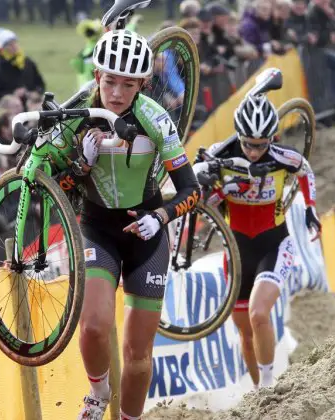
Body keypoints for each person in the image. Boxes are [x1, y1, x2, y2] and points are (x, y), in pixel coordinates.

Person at [57, 30, 200, 420]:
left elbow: (190, 189)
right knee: (93, 327)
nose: (117, 93)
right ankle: (98, 393)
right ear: (98, 75)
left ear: (142, 85)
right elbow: (56, 191)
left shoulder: (154, 119)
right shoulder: (76, 120)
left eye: (128, 84)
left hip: (146, 234)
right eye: (110, 81)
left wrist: (161, 217)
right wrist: (80, 165)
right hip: (97, 228)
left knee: (138, 358)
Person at [192, 91, 321, 389]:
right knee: (244, 332)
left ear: (272, 138)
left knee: (258, 313)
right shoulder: (220, 156)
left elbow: (305, 170)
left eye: (261, 145)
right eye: (248, 144)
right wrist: (223, 187)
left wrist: (311, 209)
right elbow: (204, 205)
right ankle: (260, 396)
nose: (253, 152)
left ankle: (267, 385)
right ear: (238, 135)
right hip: (236, 252)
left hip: (274, 244)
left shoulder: (281, 157)